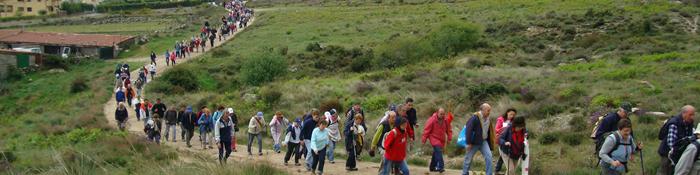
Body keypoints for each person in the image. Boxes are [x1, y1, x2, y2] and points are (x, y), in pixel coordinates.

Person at [658, 105, 696, 175]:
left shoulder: (690, 123)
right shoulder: (674, 123)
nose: (692, 117)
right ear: (683, 114)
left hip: (679, 154)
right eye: (690, 115)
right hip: (668, 155)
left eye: (693, 114)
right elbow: (671, 143)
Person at [462, 103, 496, 175]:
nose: (489, 112)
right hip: (473, 142)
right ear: (482, 110)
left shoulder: (488, 119)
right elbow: (468, 130)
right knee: (468, 159)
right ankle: (465, 173)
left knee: (489, 157)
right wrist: (468, 143)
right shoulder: (474, 118)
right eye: (488, 110)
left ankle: (489, 173)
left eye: (490, 110)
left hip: (483, 141)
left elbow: (489, 131)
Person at [422, 108, 452, 173]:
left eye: (443, 114)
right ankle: (441, 167)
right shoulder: (432, 120)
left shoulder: (446, 120)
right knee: (438, 151)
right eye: (441, 114)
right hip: (433, 137)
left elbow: (449, 130)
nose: (442, 115)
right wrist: (424, 139)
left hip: (442, 139)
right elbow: (426, 130)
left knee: (436, 153)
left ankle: (432, 167)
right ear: (437, 113)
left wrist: (449, 138)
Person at [495, 108, 517, 174]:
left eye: (513, 115)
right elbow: (497, 129)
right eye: (511, 114)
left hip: (510, 141)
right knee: (503, 153)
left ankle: (498, 170)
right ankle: (497, 170)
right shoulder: (500, 119)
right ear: (507, 113)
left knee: (503, 155)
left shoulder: (514, 121)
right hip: (502, 139)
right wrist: (506, 128)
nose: (512, 116)